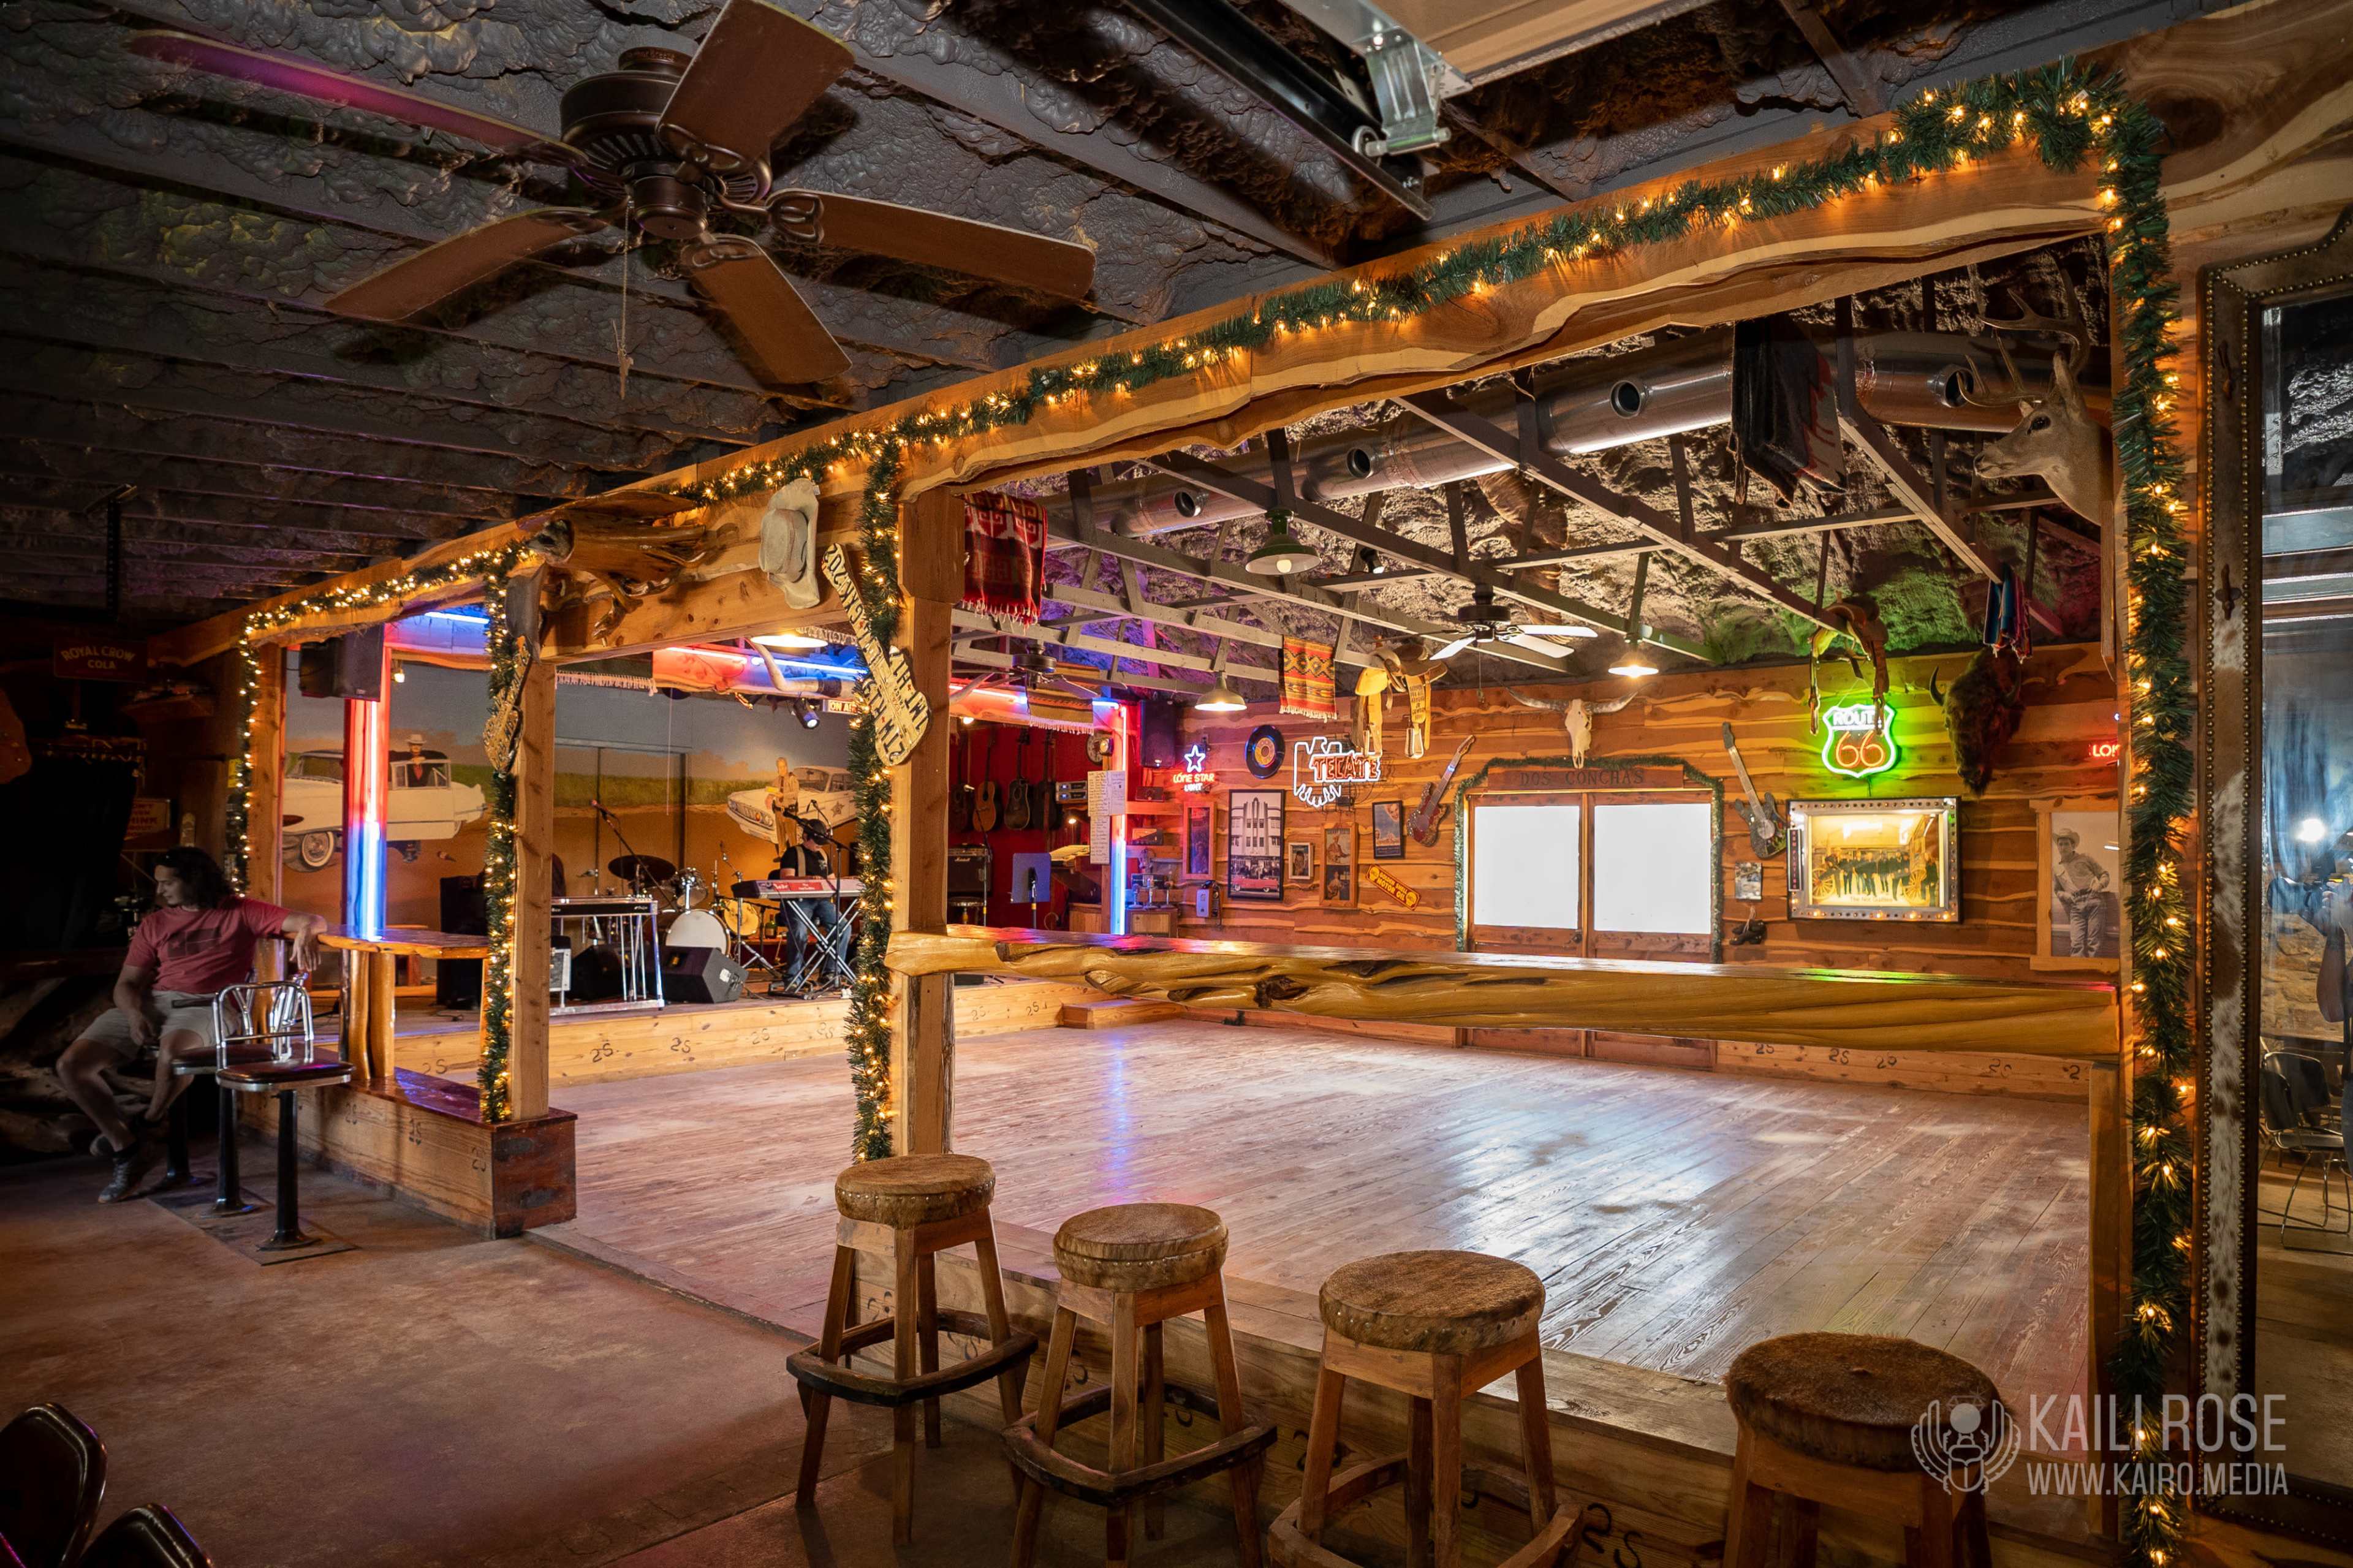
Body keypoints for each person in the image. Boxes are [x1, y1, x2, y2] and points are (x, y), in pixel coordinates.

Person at [58, 847, 326, 1203]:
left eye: (168, 883)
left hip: (211, 1004)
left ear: (194, 880)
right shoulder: (156, 923)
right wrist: (137, 1015)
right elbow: (125, 986)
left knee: (173, 1051)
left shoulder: (240, 910)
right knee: (72, 1065)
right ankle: (128, 1145)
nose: (160, 892)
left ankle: (151, 1126)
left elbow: (312, 919)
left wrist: (308, 931)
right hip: (154, 1001)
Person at [771, 816, 845, 991]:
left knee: (843, 926)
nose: (819, 846)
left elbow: (832, 881)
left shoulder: (823, 855)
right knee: (799, 931)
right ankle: (794, 975)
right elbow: (786, 878)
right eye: (816, 842)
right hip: (799, 902)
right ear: (806, 837)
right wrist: (809, 879)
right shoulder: (793, 853)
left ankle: (831, 971)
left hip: (821, 902)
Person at [2051, 827, 2112, 958]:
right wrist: (2066, 895)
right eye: (2060, 844)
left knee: (2094, 943)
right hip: (2075, 905)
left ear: (2073, 845)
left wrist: (2099, 885)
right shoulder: (2057, 869)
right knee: (2076, 945)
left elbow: (2105, 875)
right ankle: (2077, 976)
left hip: (2094, 900)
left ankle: (2093, 976)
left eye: (2066, 844)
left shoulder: (2085, 858)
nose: (2063, 847)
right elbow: (2057, 891)